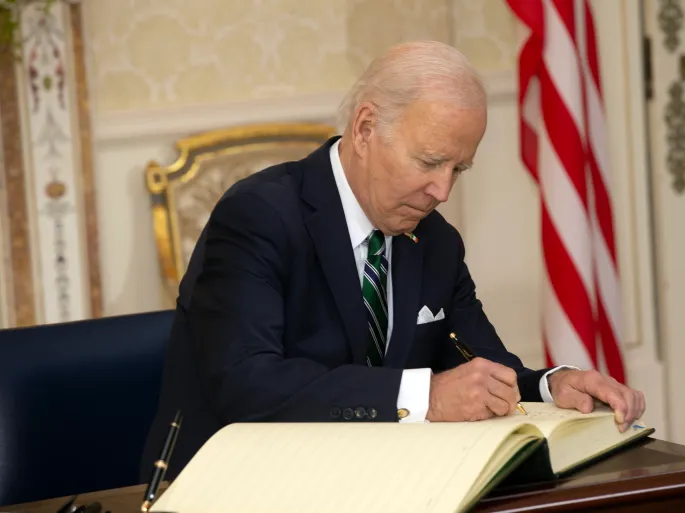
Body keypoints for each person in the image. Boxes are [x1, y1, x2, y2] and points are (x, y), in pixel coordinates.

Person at [140, 40, 645, 480]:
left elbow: (482, 366)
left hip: (374, 481)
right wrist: (427, 396)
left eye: (459, 169)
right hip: (236, 483)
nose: (442, 191)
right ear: (365, 129)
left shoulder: (435, 240)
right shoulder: (259, 215)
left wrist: (552, 385)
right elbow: (247, 384)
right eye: (430, 162)